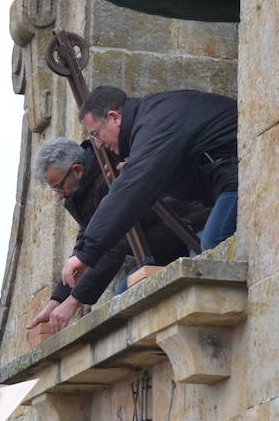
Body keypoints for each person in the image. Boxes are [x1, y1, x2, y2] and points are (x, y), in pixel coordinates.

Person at [62, 85, 238, 291]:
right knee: (127, 288)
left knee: (213, 247)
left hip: (240, 176)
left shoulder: (154, 122)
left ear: (114, 117)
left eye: (97, 134)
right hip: (224, 184)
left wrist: (85, 254)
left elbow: (129, 191)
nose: (98, 144)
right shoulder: (148, 125)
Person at [28, 136, 204, 333]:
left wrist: (73, 302)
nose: (59, 195)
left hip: (193, 235)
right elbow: (87, 242)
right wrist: (56, 300)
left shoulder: (108, 176)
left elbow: (113, 245)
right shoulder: (84, 191)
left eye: (58, 187)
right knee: (123, 304)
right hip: (165, 249)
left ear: (77, 170)